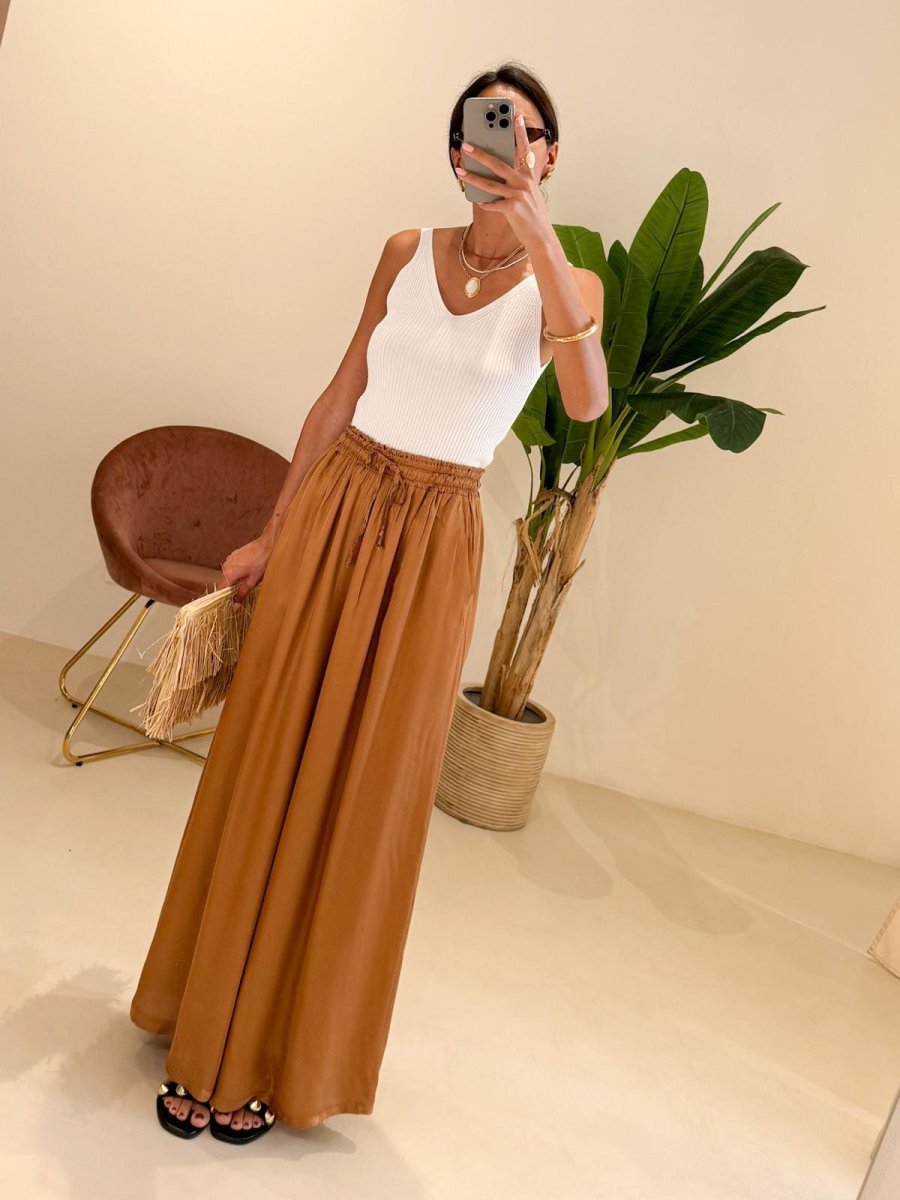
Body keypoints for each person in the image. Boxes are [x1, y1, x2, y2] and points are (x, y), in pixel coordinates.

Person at [131, 61, 606, 1143]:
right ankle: (202, 1014)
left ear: (550, 154)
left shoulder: (570, 284)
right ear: (456, 150)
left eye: (527, 133)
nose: (505, 147)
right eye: (485, 131)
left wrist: (538, 233)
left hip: (433, 543)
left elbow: (586, 404)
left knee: (365, 790)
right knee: (266, 756)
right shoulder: (404, 251)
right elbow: (342, 391)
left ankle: (284, 1052)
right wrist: (273, 530)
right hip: (339, 505)